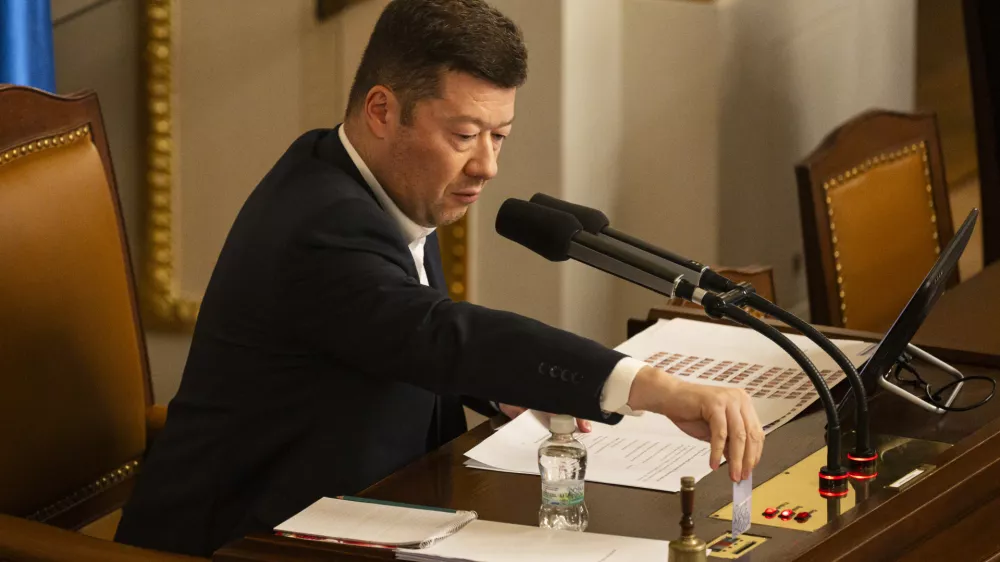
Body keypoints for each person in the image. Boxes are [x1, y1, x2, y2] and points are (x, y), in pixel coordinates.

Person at [115, 0, 764, 556]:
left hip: (373, 513)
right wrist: (649, 388)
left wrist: (507, 388)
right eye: (464, 135)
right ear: (380, 110)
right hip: (244, 543)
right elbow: (443, 334)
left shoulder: (356, 177)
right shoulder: (322, 224)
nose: (487, 167)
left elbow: (396, 338)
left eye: (500, 136)